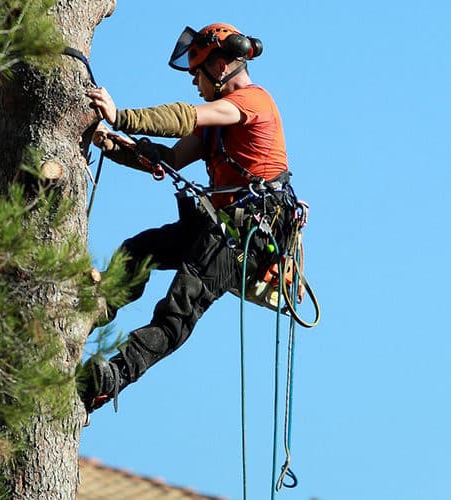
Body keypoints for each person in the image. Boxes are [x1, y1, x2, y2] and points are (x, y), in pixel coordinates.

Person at [79, 23, 297, 413]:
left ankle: (113, 377)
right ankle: (98, 305)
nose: (195, 81)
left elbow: (182, 117)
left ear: (221, 67)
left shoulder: (251, 102)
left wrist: (121, 116)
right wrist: (113, 145)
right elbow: (171, 158)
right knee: (139, 249)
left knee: (179, 308)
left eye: (198, 72)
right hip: (221, 224)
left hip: (249, 232)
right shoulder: (217, 127)